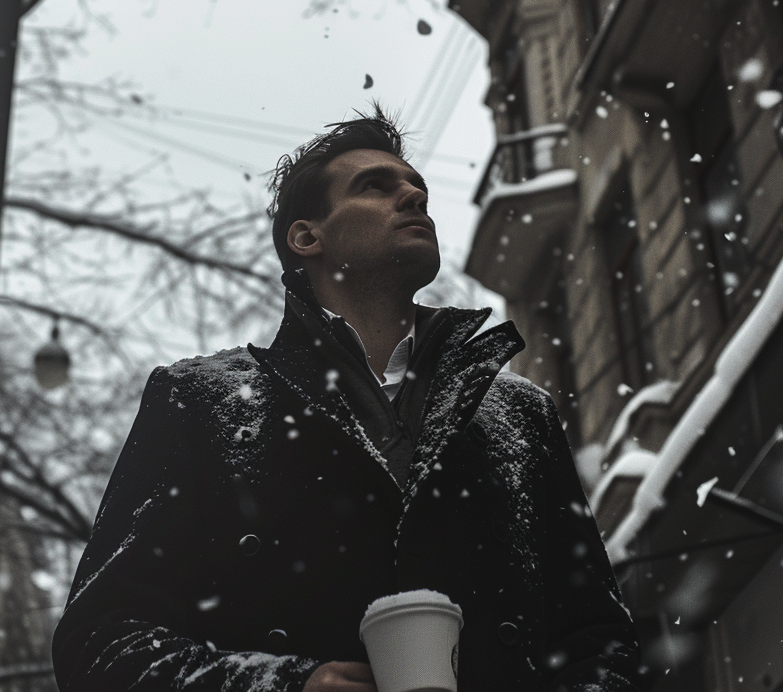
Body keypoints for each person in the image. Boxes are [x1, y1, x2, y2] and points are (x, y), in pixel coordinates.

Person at [52, 106, 639, 692]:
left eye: (418, 189)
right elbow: (102, 643)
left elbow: (600, 643)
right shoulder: (199, 401)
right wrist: (289, 688)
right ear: (308, 237)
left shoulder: (519, 413)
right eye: (376, 187)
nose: (412, 197)